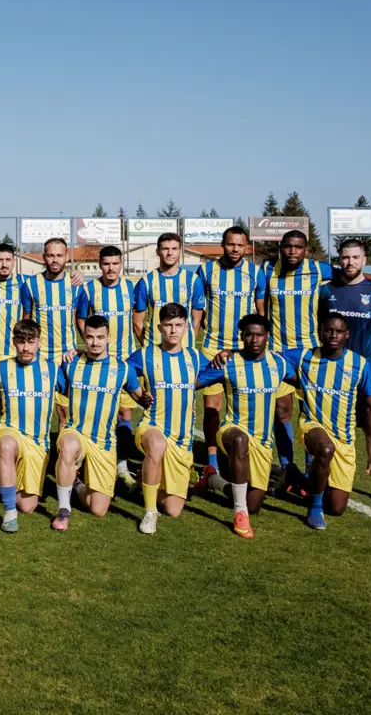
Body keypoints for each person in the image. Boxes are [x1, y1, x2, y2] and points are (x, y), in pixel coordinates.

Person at [255, 230, 371, 483]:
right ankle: (287, 466)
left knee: (314, 412)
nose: (292, 251)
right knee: (281, 410)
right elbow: (261, 306)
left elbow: (353, 275)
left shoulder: (317, 269)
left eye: (298, 247)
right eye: (288, 246)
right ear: (281, 247)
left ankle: (312, 470)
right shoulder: (267, 270)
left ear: (306, 249)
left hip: (311, 352)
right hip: (280, 351)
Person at [196, 314, 297, 539]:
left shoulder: (279, 364)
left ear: (267, 337)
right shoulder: (228, 362)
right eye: (249, 334)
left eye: (259, 334)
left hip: (263, 442)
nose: (254, 339)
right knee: (240, 440)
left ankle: (213, 480)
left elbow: (305, 379)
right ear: (241, 337)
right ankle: (240, 514)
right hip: (232, 431)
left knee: (254, 504)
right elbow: (195, 380)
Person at [126, 304, 219, 534]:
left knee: (173, 508)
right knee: (156, 445)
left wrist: (226, 355)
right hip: (152, 427)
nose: (173, 330)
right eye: (168, 325)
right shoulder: (147, 354)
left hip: (182, 439)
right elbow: (123, 369)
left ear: (186, 327)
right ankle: (149, 512)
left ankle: (145, 478)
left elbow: (218, 371)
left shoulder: (195, 358)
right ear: (159, 327)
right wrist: (138, 394)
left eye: (178, 325)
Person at [320, 239, 371, 504]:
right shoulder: (326, 291)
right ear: (339, 259)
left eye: (355, 257)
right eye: (345, 257)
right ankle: (332, 480)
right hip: (332, 372)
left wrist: (366, 362)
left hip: (368, 371)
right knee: (334, 429)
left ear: (364, 260)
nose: (350, 262)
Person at [290, 312, 371, 529]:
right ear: (320, 332)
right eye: (328, 330)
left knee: (337, 508)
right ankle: (314, 507)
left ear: (347, 335)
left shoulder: (359, 365)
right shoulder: (304, 357)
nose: (333, 335)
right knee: (325, 449)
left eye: (338, 331)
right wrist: (231, 353)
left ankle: (295, 475)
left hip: (344, 438)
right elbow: (266, 357)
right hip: (312, 425)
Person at [53, 315, 147, 531]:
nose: (95, 342)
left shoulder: (122, 368)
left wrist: (148, 399)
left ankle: (75, 484)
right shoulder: (71, 363)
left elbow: (140, 397)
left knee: (99, 509)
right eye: (90, 337)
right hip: (76, 432)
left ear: (109, 337)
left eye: (100, 337)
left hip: (104, 442)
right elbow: (51, 384)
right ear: (83, 337)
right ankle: (63, 510)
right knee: (68, 446)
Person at [195, 226, 263, 475]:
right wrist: (193, 343)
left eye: (240, 245)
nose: (235, 249)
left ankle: (242, 454)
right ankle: (212, 462)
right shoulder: (207, 270)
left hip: (243, 351)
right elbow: (198, 310)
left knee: (244, 406)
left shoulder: (255, 272)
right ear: (223, 245)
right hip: (212, 347)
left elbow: (261, 311)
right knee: (212, 407)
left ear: (247, 246)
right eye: (231, 244)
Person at [0, 318, 62, 533]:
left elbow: (72, 391)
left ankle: (0, 482)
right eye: (21, 342)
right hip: (11, 430)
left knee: (28, 506)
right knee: (8, 446)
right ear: (14, 342)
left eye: (31, 341)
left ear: (39, 342)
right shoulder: (1, 368)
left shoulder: (53, 370)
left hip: (38, 441)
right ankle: (9, 512)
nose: (26, 347)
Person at [76, 245, 139, 485]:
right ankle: (87, 460)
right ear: (100, 265)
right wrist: (91, 344)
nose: (111, 268)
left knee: (124, 412)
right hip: (97, 364)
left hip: (124, 361)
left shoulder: (131, 287)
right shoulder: (90, 289)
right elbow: (80, 318)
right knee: (94, 410)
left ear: (121, 264)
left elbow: (139, 318)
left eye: (115, 263)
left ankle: (121, 465)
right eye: (106, 264)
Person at [133, 232, 205, 349]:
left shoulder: (193, 280)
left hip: (185, 348)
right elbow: (137, 321)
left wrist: (188, 342)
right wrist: (148, 345)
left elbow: (196, 321)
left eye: (174, 249)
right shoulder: (145, 281)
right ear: (157, 252)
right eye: (165, 249)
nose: (170, 253)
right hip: (154, 348)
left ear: (180, 252)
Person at [19, 238, 81, 365]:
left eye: (59, 255)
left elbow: (78, 319)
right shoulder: (30, 285)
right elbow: (26, 320)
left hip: (68, 355)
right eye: (50, 255)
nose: (55, 260)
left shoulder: (76, 284)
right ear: (44, 257)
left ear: (67, 257)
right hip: (40, 355)